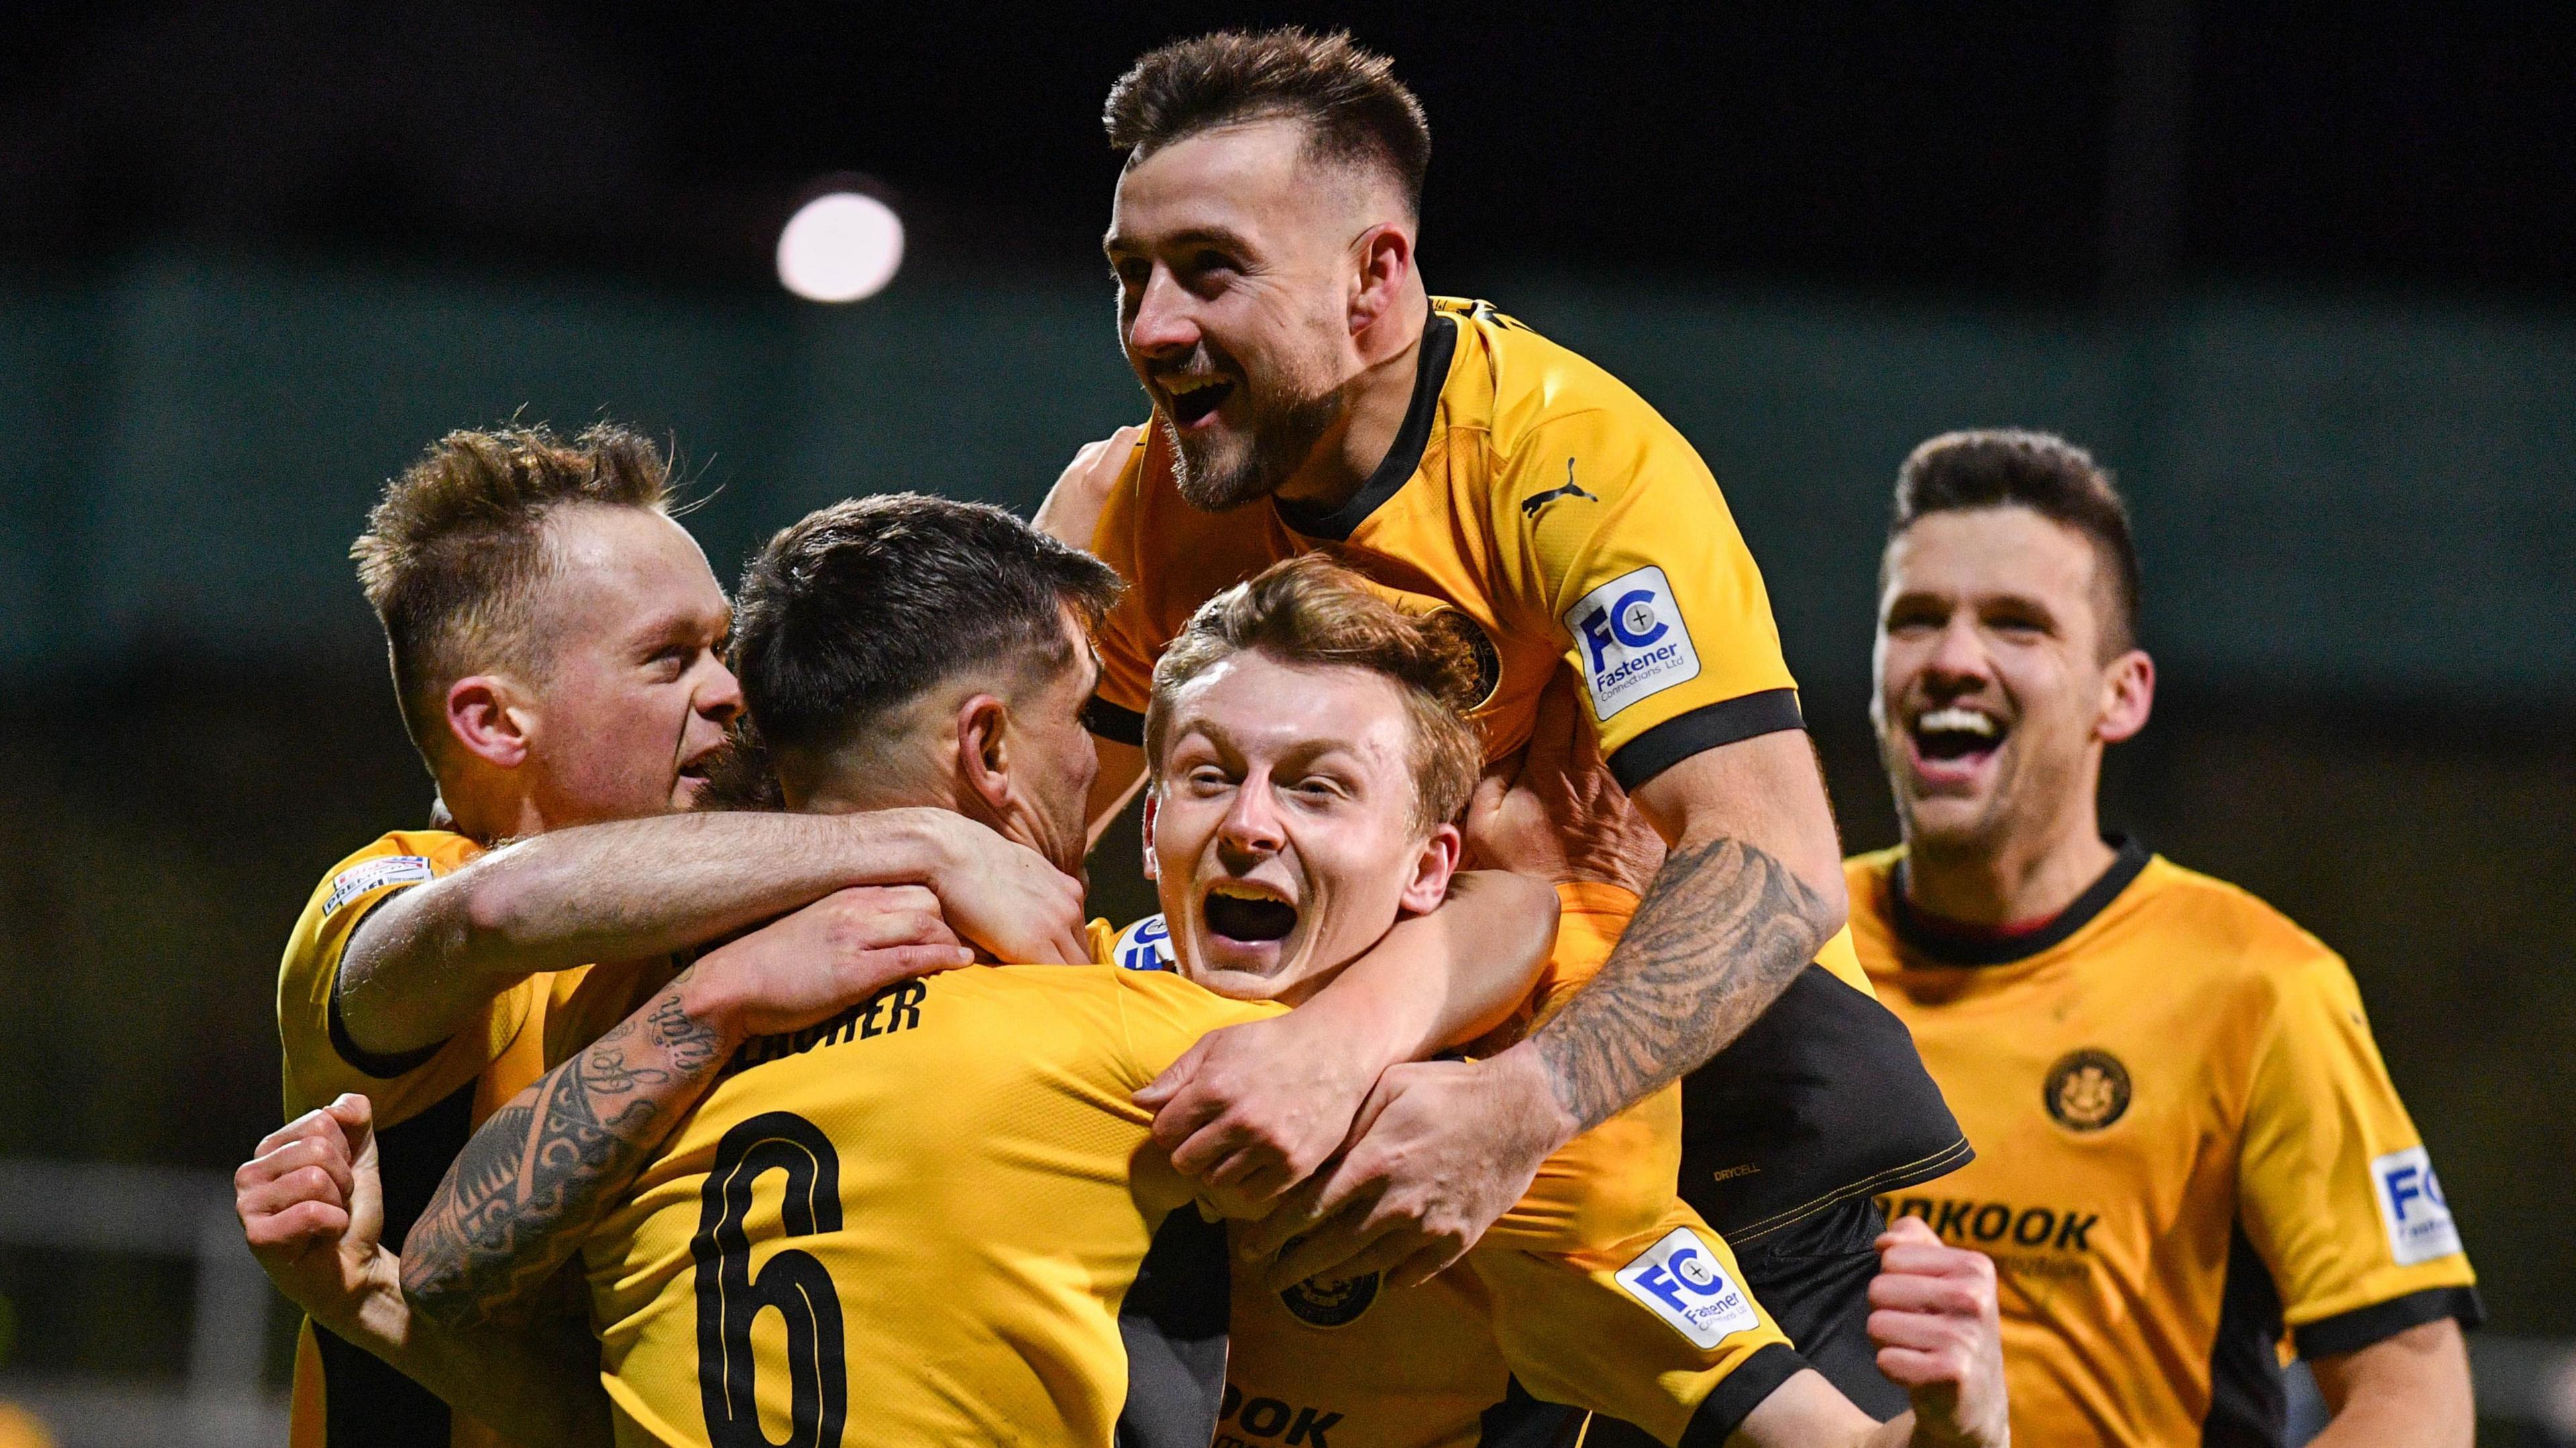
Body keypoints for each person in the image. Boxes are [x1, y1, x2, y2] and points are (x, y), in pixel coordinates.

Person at [251, 511, 2010, 1447]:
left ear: (1425, 859)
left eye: (1315, 785)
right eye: (1189, 773)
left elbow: (471, 1273)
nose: (1238, 825)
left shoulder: (1457, 1110)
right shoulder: (1118, 1036)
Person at [1045, 28, 1966, 1412]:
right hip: (1372, 1093)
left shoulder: (1572, 463)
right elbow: (1023, 831)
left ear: (1376, 281)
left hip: (1650, 1121)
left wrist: (1519, 1110)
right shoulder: (1142, 502)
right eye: (1131, 275)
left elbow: (1774, 864)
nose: (1153, 328)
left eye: (1211, 271)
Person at [280, 423, 1030, 1447]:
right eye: (667, 659)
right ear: (497, 723)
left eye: (720, 649)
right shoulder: (390, 896)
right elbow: (498, 910)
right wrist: (916, 841)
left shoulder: (746, 909)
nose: (727, 691)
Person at [1851, 429, 2481, 1445]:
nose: (1954, 659)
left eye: (2017, 627)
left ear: (2122, 693)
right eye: (1916, 621)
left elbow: (2418, 1401)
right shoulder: (1785, 957)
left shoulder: (2259, 986)